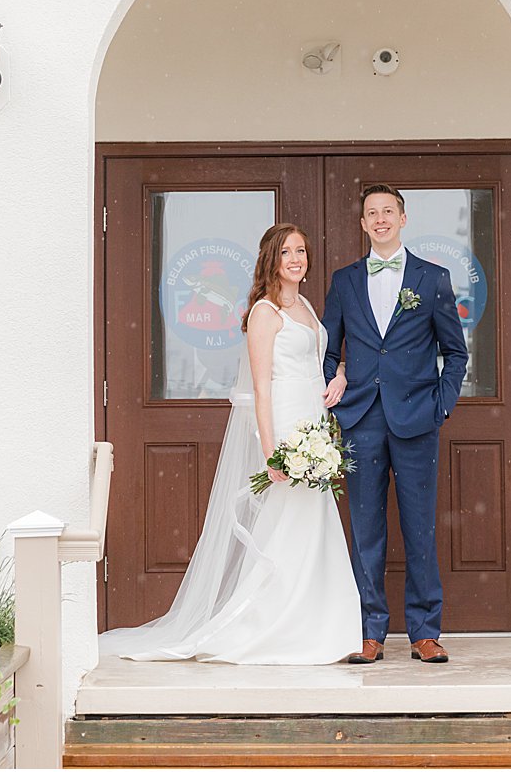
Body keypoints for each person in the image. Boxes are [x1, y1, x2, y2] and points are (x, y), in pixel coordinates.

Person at [98, 222, 361, 664]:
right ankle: (267, 627)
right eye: (287, 253)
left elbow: (317, 363)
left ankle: (317, 627)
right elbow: (261, 388)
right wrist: (270, 449)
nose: (297, 259)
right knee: (284, 527)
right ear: (272, 261)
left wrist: (340, 376)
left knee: (313, 525)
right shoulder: (264, 313)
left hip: (315, 423)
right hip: (286, 427)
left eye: (301, 250)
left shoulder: (308, 309)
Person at [322, 184, 468, 664]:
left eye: (388, 211)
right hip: (362, 419)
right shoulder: (344, 281)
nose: (380, 219)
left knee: (419, 527)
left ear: (403, 219)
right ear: (362, 224)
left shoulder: (433, 279)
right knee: (366, 529)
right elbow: (329, 351)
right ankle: (370, 631)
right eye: (371, 213)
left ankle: (425, 631)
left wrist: (440, 406)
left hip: (417, 420)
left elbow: (455, 353)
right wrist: (336, 385)